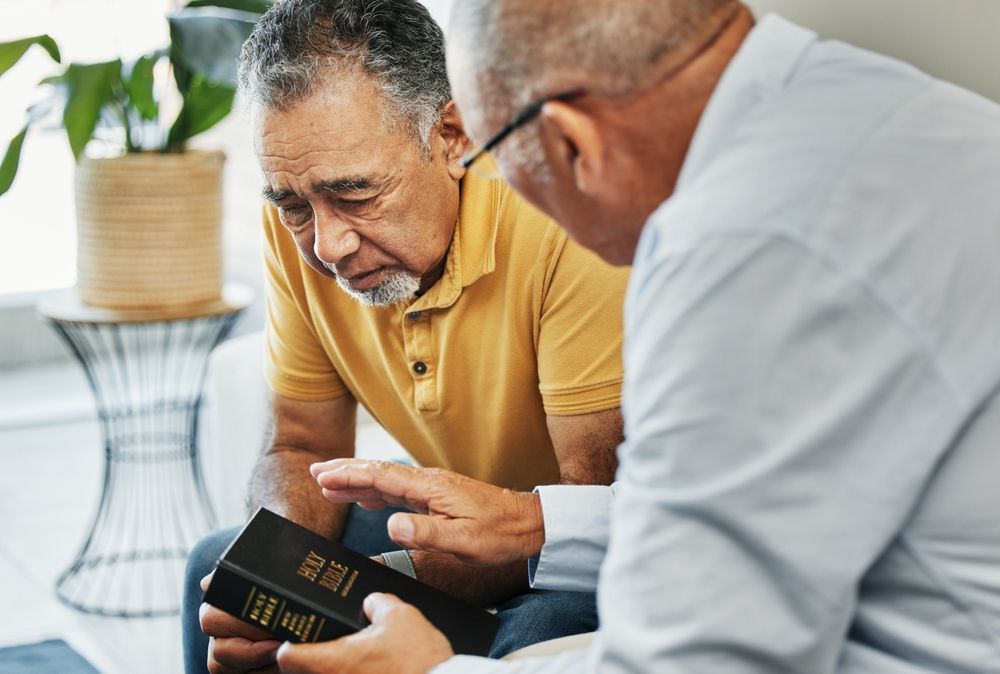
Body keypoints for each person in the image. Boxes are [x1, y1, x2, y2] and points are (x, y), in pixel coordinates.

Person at [273, 0, 1000, 672]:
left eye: (493, 152)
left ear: (570, 142)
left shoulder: (748, 251)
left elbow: (693, 658)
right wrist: (537, 526)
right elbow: (736, 514)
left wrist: (430, 671)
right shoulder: (874, 108)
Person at [181, 0, 632, 672]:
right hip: (457, 518)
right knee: (220, 570)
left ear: (450, 136)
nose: (329, 244)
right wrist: (275, 579)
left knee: (532, 638)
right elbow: (304, 444)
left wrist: (378, 583)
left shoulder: (558, 215)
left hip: (574, 549)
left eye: (356, 194)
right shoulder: (297, 219)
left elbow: (586, 506)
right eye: (295, 205)